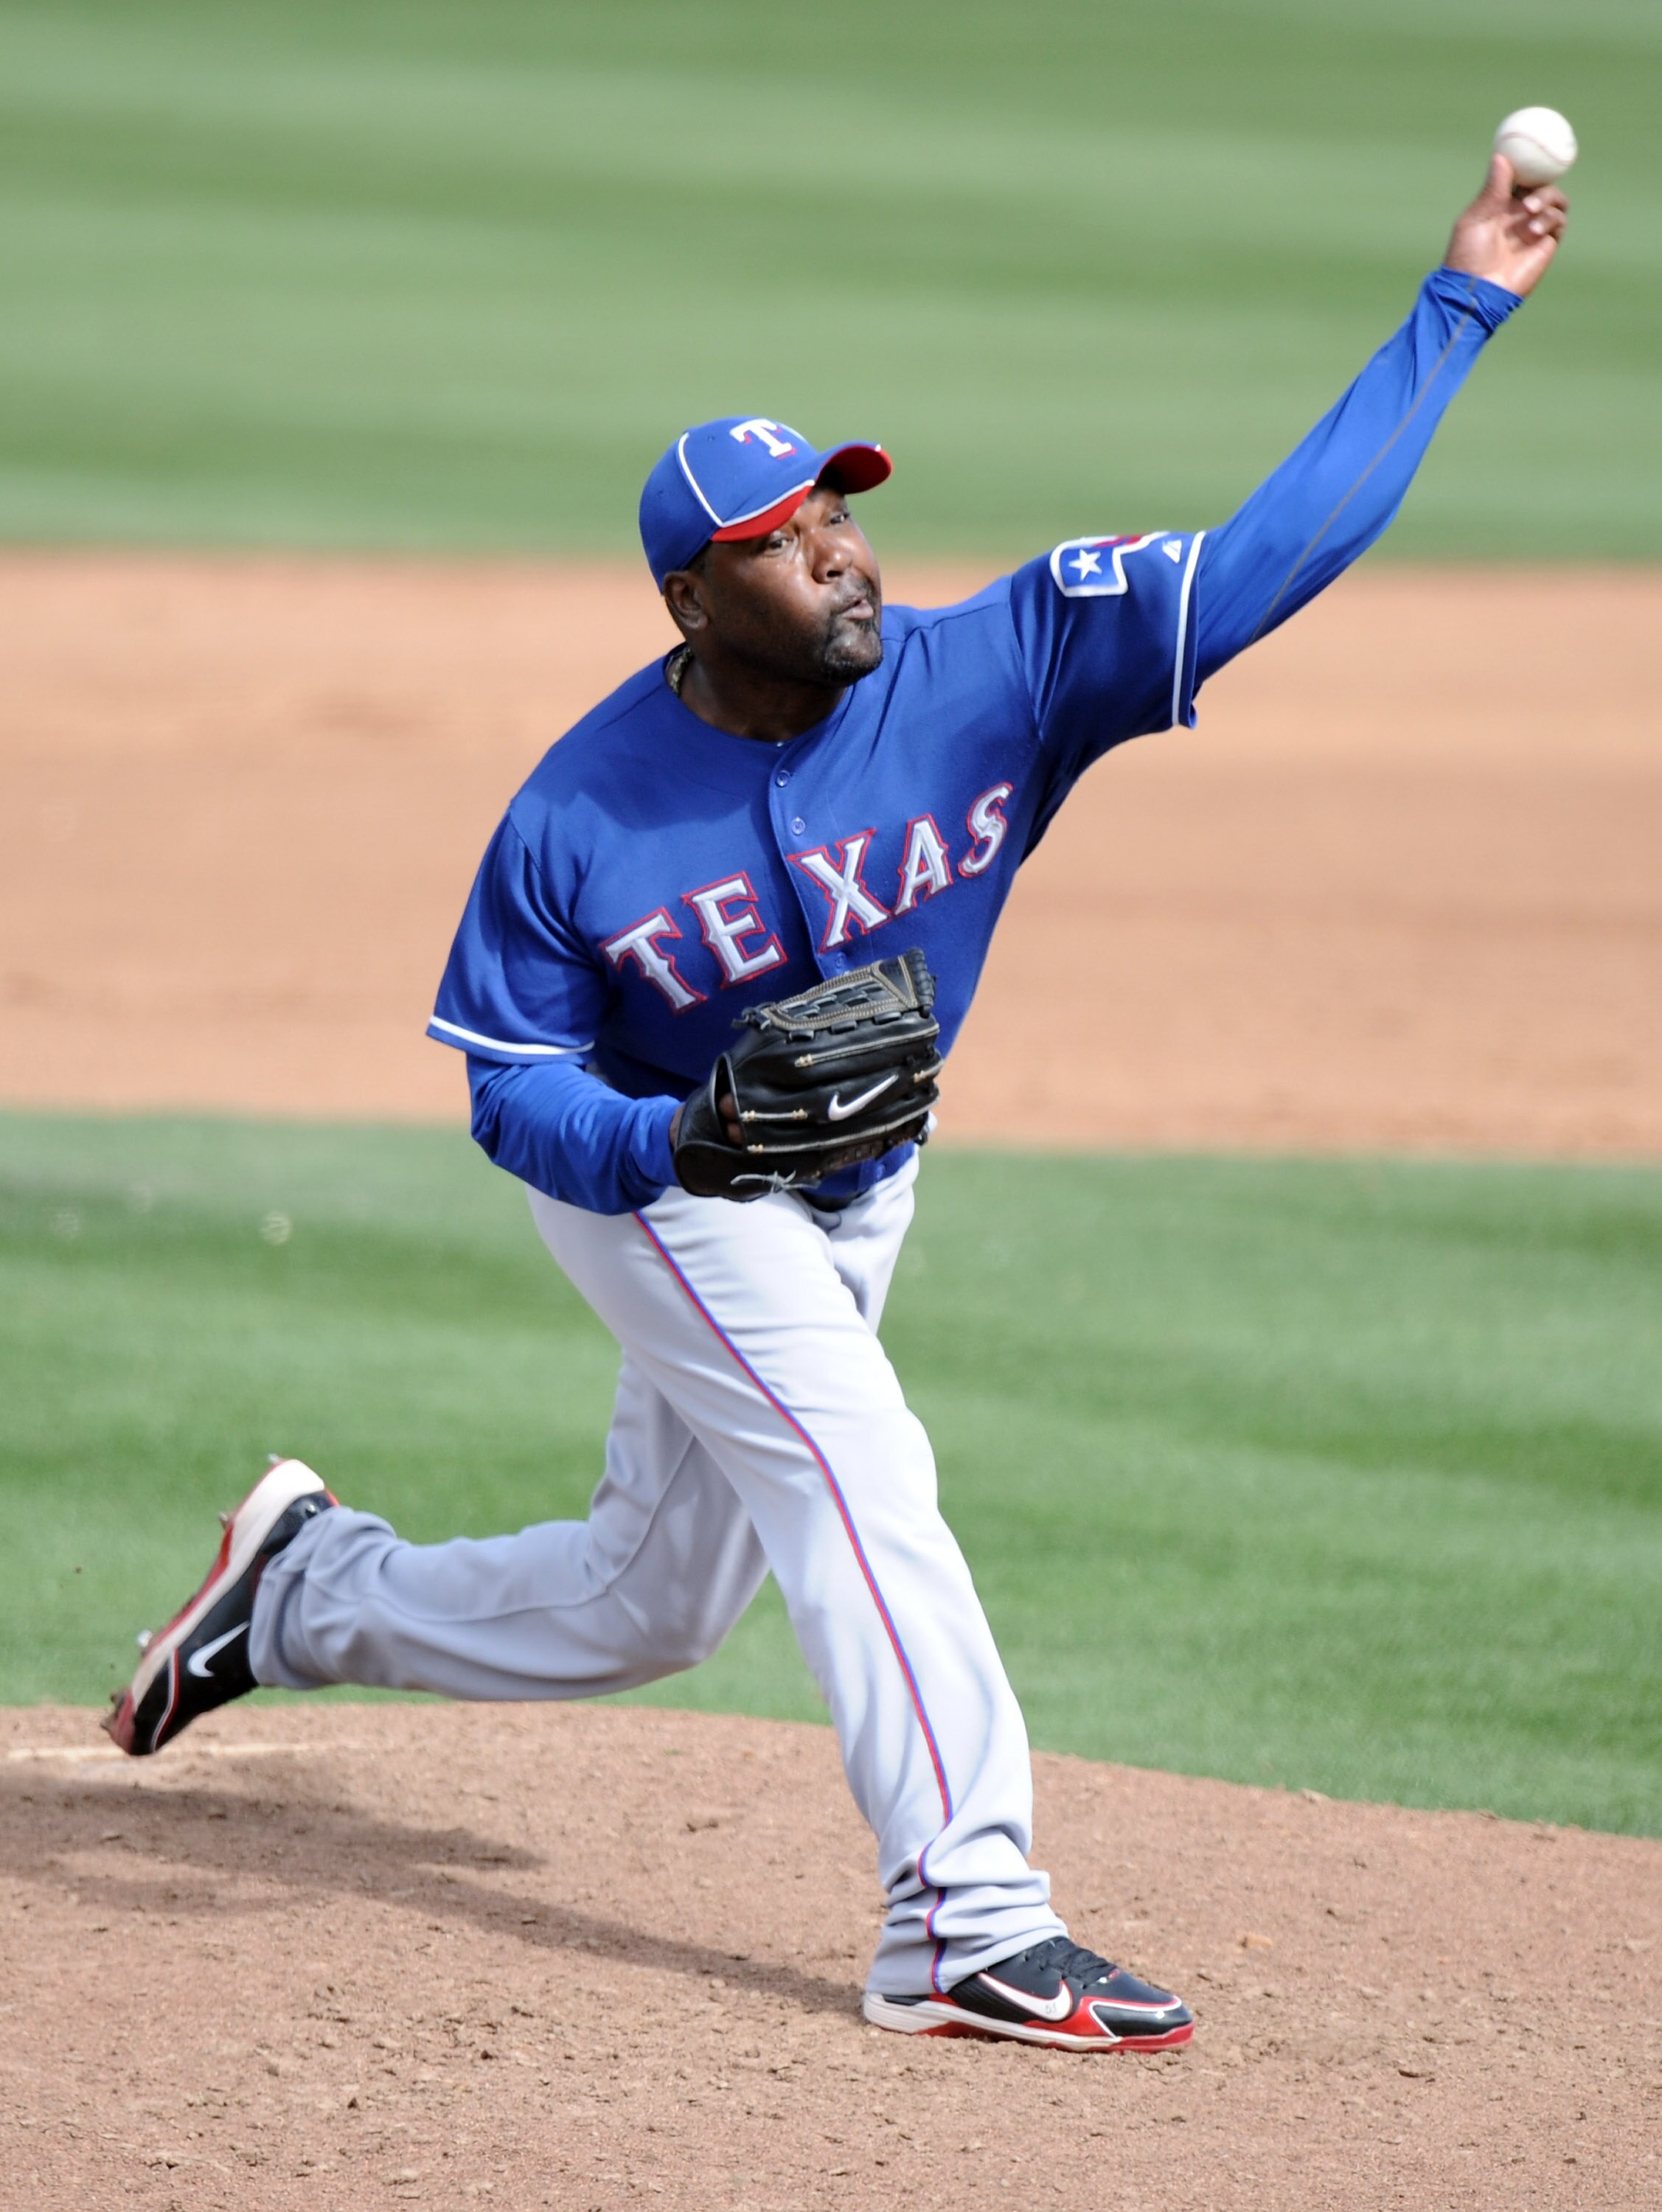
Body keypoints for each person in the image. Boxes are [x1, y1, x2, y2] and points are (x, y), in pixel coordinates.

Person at [107, 159, 1566, 2051]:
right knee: (864, 1469)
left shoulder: (1007, 664)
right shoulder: (577, 816)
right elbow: (509, 1091)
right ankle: (962, 1916)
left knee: (644, 1606)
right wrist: (672, 1146)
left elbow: (1275, 545)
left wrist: (1458, 307)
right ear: (693, 597)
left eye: (844, 518)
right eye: (790, 541)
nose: (844, 555)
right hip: (665, 1182)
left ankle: (302, 1594)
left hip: (858, 1182)